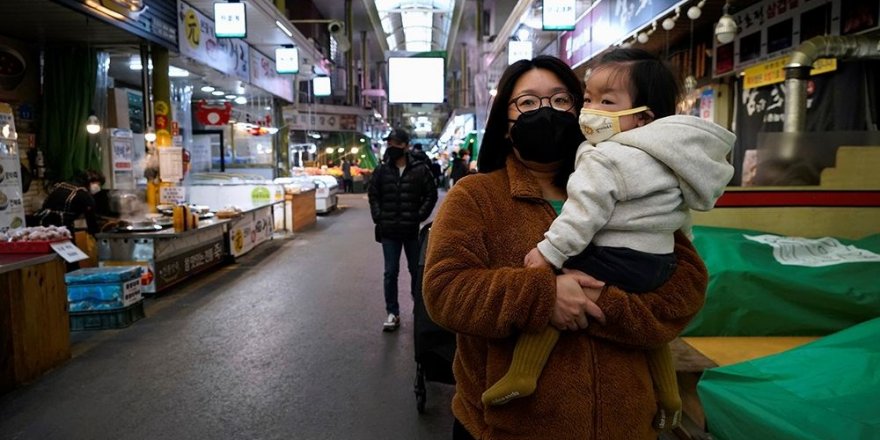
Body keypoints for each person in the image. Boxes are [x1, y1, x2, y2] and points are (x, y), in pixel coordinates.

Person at [422, 54, 710, 439]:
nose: (547, 112)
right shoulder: (475, 197)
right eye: (526, 102)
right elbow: (444, 291)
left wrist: (599, 302)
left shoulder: (634, 185)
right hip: (505, 430)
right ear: (504, 123)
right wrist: (543, 297)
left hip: (626, 426)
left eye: (561, 100)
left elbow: (685, 289)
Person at [368, 128, 438, 332]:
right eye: (390, 143)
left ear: (406, 146)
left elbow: (430, 194)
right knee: (390, 272)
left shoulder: (419, 169)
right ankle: (392, 312)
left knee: (416, 272)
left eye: (396, 144)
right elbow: (373, 194)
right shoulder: (381, 170)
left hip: (410, 231)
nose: (392, 147)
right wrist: (378, 216)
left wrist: (419, 215)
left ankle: (418, 311)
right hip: (388, 230)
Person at [36, 169, 105, 235]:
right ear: (91, 182)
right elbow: (91, 222)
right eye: (98, 184)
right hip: (63, 228)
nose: (98, 187)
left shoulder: (62, 185)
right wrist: (96, 236)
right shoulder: (84, 195)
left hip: (44, 224)